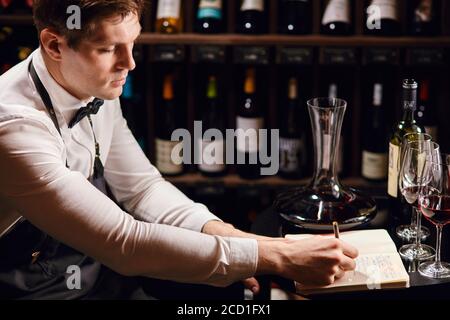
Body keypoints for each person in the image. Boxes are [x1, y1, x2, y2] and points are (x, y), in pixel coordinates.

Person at [0, 0, 358, 300]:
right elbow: (124, 242)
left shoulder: (91, 81)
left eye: (132, 43)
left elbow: (143, 189)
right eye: (108, 49)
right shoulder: (14, 127)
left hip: (101, 277)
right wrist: (273, 255)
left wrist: (240, 241)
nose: (129, 63)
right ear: (54, 45)